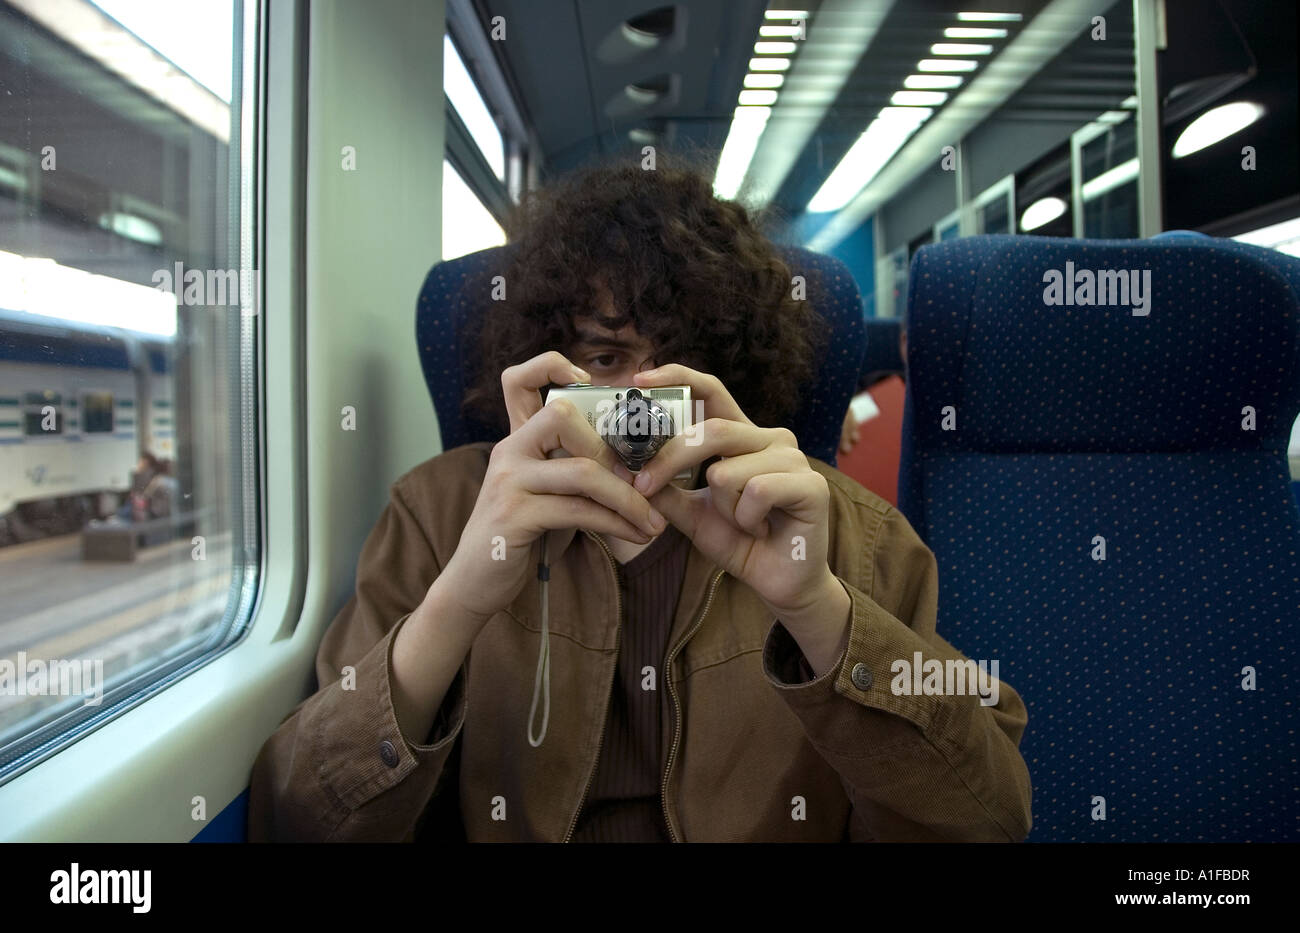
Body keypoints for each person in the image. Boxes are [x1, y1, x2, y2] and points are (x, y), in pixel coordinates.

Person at [247, 157, 1032, 842]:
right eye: (604, 357)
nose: (636, 403)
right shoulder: (442, 510)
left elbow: (987, 819)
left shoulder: (850, 531)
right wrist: (460, 598)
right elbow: (296, 821)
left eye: (677, 367)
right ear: (546, 365)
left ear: (734, 375)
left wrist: (818, 607)